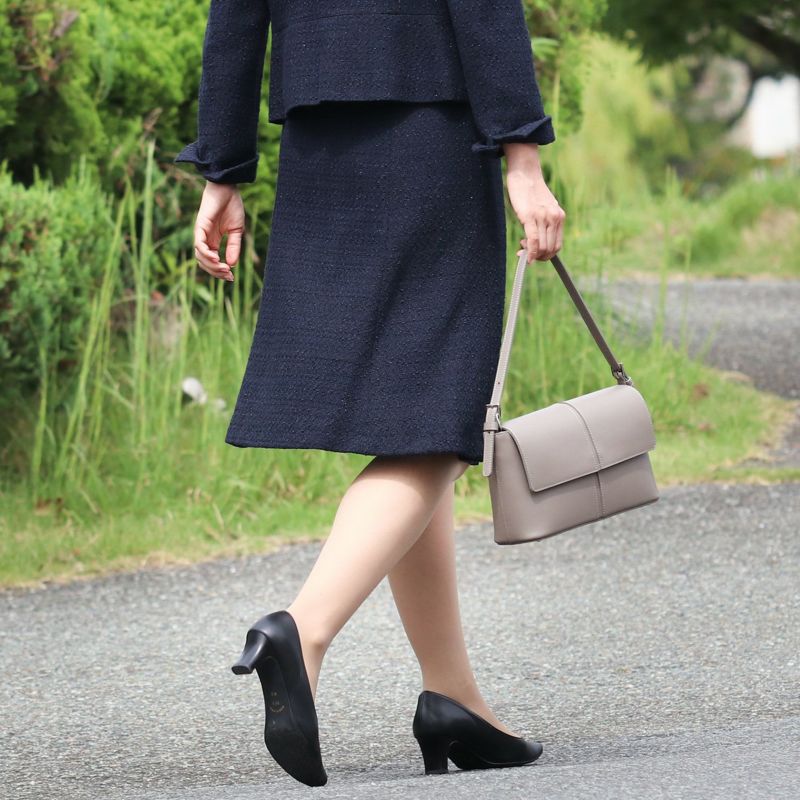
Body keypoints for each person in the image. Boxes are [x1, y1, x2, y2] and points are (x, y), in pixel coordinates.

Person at [175, 0, 565, 787]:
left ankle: (453, 696)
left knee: (411, 418)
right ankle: (303, 631)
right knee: (446, 411)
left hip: (320, 134)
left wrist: (223, 166)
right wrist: (522, 151)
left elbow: (235, 12)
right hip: (433, 127)